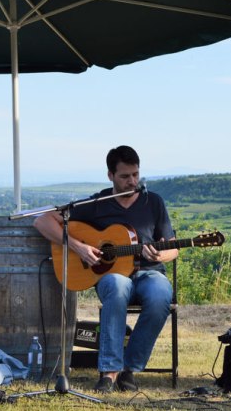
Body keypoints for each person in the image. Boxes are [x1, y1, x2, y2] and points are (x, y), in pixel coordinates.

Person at [33, 145, 176, 393]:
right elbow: (42, 220)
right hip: (113, 275)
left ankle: (128, 369)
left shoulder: (153, 201)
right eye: (125, 176)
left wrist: (159, 253)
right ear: (110, 175)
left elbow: (173, 248)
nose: (132, 181)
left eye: (136, 174)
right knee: (117, 287)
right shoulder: (97, 204)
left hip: (150, 273)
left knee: (161, 295)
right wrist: (78, 247)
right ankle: (109, 372)